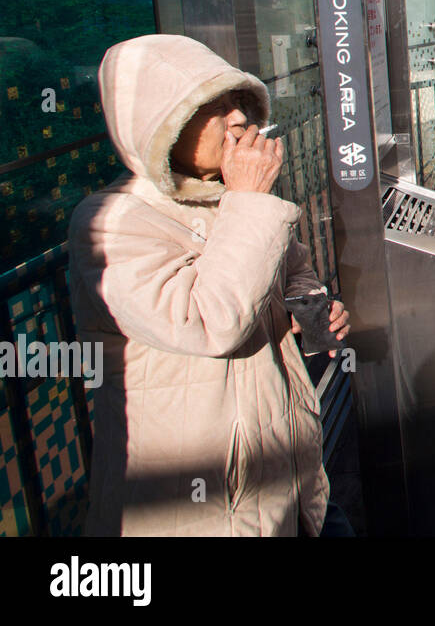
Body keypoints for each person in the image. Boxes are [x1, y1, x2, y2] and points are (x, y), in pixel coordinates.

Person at [68, 35, 350, 536]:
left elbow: (293, 274)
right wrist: (248, 201)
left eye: (240, 104)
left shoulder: (234, 197)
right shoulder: (111, 222)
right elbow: (208, 324)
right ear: (159, 124)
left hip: (290, 482)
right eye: (214, 108)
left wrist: (314, 316)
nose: (239, 121)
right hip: (203, 510)